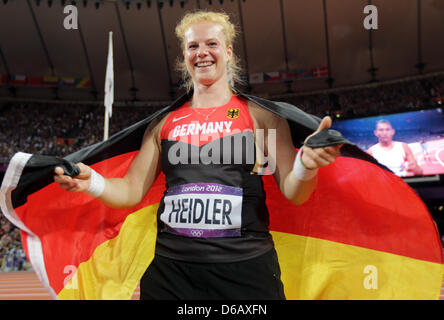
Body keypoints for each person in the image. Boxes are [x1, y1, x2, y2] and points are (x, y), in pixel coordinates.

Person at [53, 11, 342, 300]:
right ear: (184, 55)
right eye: (193, 46)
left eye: (211, 44)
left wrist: (305, 166)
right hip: (171, 273)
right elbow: (130, 190)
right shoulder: (163, 123)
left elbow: (295, 192)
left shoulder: (259, 117)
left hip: (245, 271)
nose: (202, 53)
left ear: (228, 52)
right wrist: (91, 182)